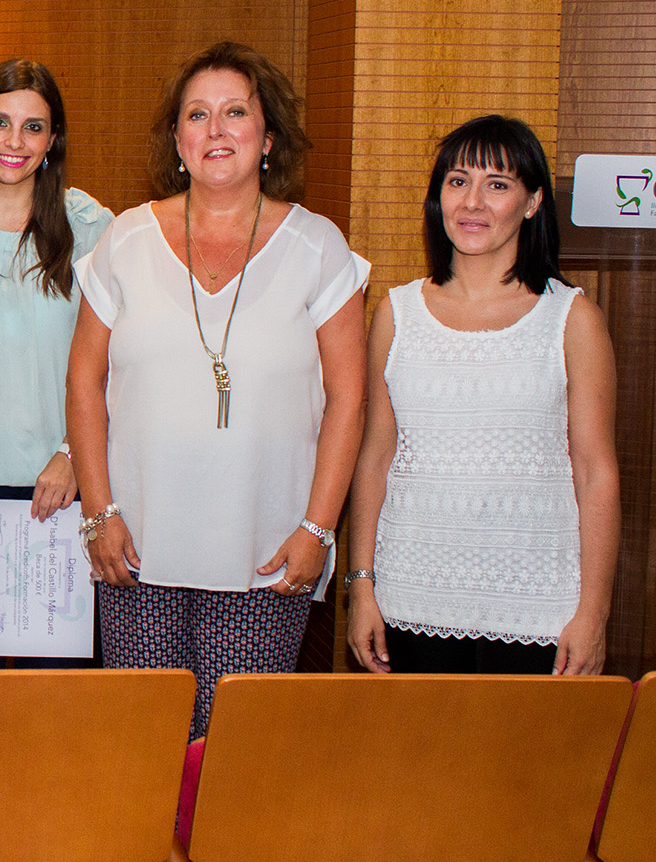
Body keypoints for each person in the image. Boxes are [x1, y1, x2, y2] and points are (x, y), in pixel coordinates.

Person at [67, 41, 367, 738]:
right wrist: (98, 514)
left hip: (268, 555)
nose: (216, 129)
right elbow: (83, 382)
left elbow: (349, 400)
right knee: (144, 744)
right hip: (135, 551)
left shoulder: (319, 247)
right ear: (177, 141)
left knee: (236, 751)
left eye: (236, 112)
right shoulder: (125, 239)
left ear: (268, 137)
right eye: (197, 114)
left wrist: (318, 530)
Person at [346, 115, 618, 675]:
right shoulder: (396, 314)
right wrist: (361, 587)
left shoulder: (573, 319)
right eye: (458, 181)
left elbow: (596, 473)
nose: (473, 202)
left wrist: (594, 613)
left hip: (540, 605)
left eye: (497, 184)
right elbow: (375, 459)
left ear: (533, 202)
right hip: (410, 597)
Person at [0, 59, 111, 669]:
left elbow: (119, 362)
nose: (15, 141)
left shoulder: (91, 228)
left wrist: (72, 455)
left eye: (34, 127)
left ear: (53, 138)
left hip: (63, 486)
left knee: (54, 693)